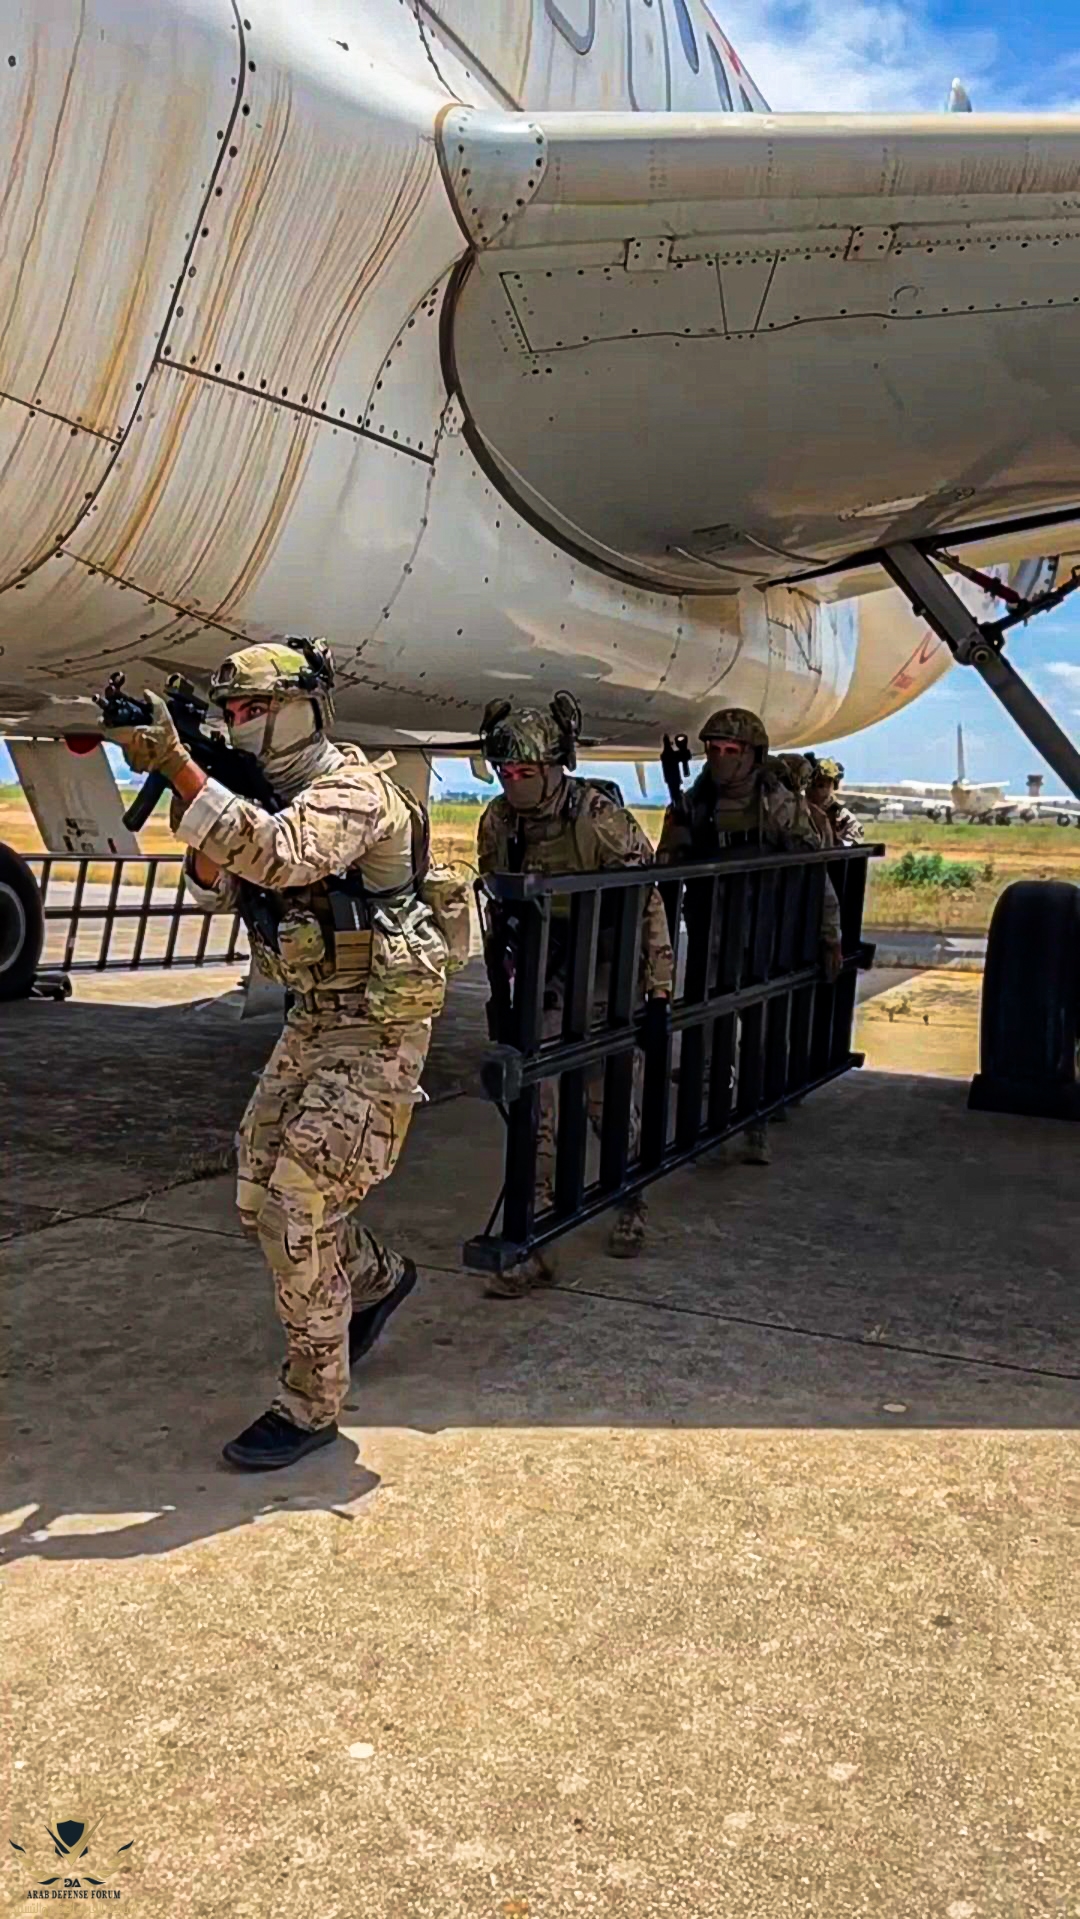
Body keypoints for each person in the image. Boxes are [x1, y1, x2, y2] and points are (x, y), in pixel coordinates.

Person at [114, 639, 449, 1470]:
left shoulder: (353, 791)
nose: (240, 722)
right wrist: (206, 783)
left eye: (254, 709)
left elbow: (283, 854)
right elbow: (214, 884)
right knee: (256, 1193)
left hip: (377, 1026)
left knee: (297, 1209)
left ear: (304, 708)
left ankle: (310, 1403)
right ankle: (376, 1277)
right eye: (231, 712)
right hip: (312, 1019)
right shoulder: (263, 796)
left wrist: (186, 771)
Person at [476, 694, 673, 1292]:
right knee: (536, 1103)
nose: (514, 783)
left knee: (605, 1099)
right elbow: (499, 901)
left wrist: (659, 991)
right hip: (546, 966)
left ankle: (630, 1199)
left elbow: (647, 897)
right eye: (505, 772)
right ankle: (533, 1234)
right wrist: (504, 973)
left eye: (526, 771)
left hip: (607, 966)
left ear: (554, 766)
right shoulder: (499, 822)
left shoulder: (596, 816)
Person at [657, 707, 842, 1165]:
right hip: (711, 934)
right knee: (706, 1030)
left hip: (766, 934)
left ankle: (756, 1120)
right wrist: (678, 843)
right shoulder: (696, 802)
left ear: (753, 754)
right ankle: (707, 1128)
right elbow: (667, 868)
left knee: (760, 1034)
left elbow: (814, 873)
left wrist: (829, 935)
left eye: (732, 750)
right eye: (714, 749)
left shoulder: (778, 804)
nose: (722, 758)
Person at [807, 756, 865, 847]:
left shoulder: (843, 818)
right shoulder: (797, 811)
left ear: (833, 785)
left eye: (821, 784)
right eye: (811, 783)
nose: (815, 789)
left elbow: (850, 850)